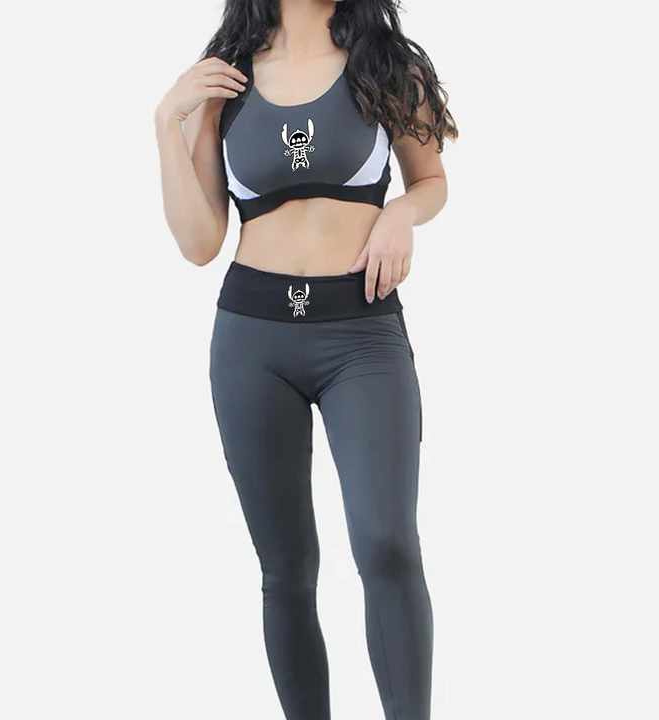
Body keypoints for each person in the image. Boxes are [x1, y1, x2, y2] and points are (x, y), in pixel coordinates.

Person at [155, 1, 456, 717]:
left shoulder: (388, 66)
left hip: (362, 336)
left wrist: (399, 214)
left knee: (387, 544)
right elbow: (199, 244)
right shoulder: (223, 80)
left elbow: (431, 182)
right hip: (252, 341)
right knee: (286, 569)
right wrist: (167, 121)